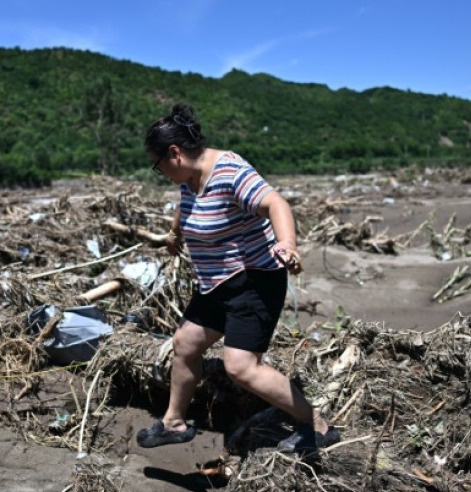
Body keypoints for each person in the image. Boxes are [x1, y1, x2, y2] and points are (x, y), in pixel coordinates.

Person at [136, 103, 339, 457]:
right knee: (185, 344)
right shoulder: (189, 178)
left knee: (240, 366)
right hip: (215, 283)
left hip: (252, 281)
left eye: (158, 165)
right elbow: (186, 204)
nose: (160, 173)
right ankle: (174, 423)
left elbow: (276, 203)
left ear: (175, 153)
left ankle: (317, 426)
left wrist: (287, 245)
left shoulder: (230, 171)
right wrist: (174, 234)